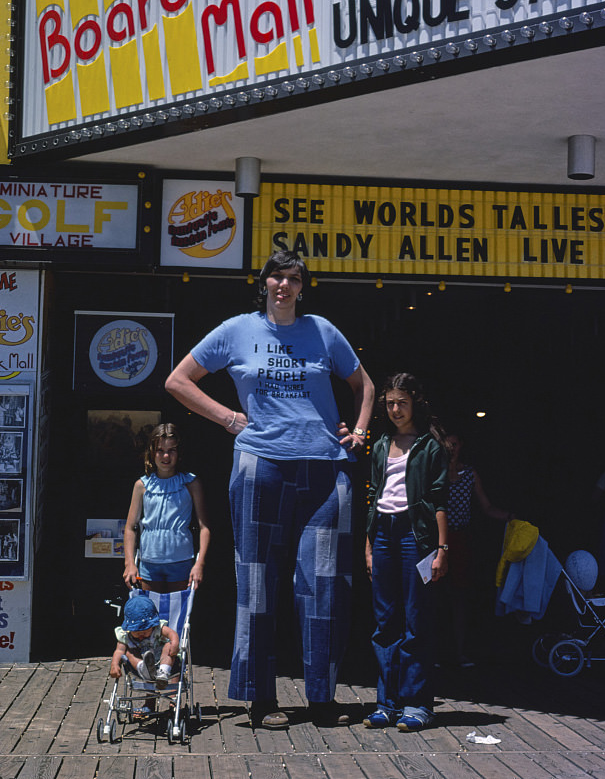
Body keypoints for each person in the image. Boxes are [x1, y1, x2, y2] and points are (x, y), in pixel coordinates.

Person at [165, 250, 375, 729]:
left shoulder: (323, 331)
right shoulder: (237, 330)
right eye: (276, 277)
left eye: (293, 278)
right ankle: (261, 700)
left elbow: (364, 384)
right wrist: (228, 418)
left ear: (304, 286)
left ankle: (321, 699)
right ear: (263, 284)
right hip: (260, 466)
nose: (284, 285)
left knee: (324, 586)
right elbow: (178, 380)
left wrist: (360, 432)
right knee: (258, 581)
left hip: (325, 468)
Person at [364, 372, 448, 732]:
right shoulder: (381, 444)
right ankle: (387, 703)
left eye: (402, 402)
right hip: (383, 532)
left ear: (415, 402)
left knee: (416, 619)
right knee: (385, 622)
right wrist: (367, 544)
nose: (395, 409)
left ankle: (417, 703)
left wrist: (442, 548)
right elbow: (372, 496)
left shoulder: (430, 446)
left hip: (417, 536)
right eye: (390, 403)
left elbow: (439, 500)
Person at [442, 431, 512, 667]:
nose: (451, 448)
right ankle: (432, 653)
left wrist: (512, 518)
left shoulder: (470, 474)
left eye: (454, 443)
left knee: (459, 597)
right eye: (447, 444)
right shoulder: (434, 471)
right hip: (436, 540)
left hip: (459, 540)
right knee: (433, 597)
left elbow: (487, 507)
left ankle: (459, 652)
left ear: (461, 445)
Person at [123, 423, 211, 592]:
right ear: (151, 452)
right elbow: (130, 527)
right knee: (150, 613)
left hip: (181, 561)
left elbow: (204, 528)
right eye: (160, 450)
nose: (165, 456)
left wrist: (200, 563)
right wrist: (130, 564)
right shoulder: (142, 485)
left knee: (178, 613)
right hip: (149, 562)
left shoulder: (191, 484)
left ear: (179, 453)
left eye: (172, 450)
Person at [110, 593, 180, 706]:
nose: (141, 636)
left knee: (168, 645)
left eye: (144, 632)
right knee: (128, 651)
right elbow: (119, 651)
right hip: (141, 665)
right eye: (137, 633)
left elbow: (172, 634)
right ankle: (144, 668)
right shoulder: (126, 635)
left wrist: (175, 644)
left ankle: (163, 672)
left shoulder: (157, 629)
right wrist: (114, 665)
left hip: (162, 660)